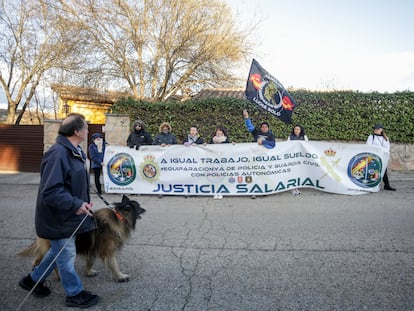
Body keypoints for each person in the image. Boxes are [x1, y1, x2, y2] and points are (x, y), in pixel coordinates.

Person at [18, 113, 100, 308]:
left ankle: (31, 281)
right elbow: (51, 191)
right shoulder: (58, 153)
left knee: (58, 252)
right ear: (77, 131)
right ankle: (75, 293)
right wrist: (76, 204)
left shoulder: (73, 150)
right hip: (57, 217)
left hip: (68, 215)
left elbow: (72, 184)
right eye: (86, 128)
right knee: (66, 255)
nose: (88, 131)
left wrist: (83, 203)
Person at [366, 124, 396, 191]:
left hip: (382, 157)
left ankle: (387, 185)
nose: (376, 130)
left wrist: (380, 150)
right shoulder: (371, 137)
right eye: (375, 129)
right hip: (373, 157)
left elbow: (387, 148)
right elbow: (368, 146)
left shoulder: (385, 138)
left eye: (377, 129)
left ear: (381, 130)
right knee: (372, 170)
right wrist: (378, 150)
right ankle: (369, 184)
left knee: (383, 171)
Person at [287, 124, 309, 195]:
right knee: (293, 173)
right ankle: (292, 188)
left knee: (298, 173)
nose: (296, 130)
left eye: (298, 129)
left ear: (300, 130)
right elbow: (287, 147)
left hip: (301, 158)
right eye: (295, 129)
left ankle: (297, 187)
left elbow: (308, 146)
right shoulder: (290, 137)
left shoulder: (304, 137)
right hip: (292, 158)